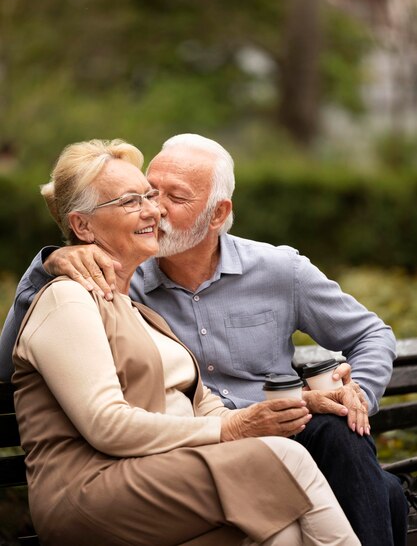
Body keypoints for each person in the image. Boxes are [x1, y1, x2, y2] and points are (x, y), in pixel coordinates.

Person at [1, 134, 408, 545]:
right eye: (146, 193)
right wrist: (48, 263)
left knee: (340, 434)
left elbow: (372, 333)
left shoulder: (278, 269)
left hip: (270, 430)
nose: (155, 208)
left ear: (218, 214)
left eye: (170, 197)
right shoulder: (112, 281)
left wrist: (357, 392)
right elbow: (17, 358)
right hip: (185, 453)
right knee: (375, 496)